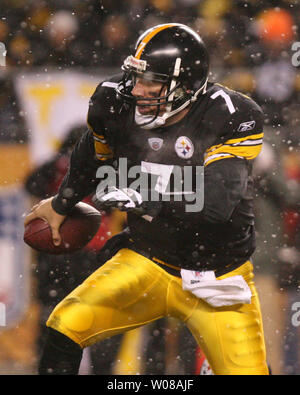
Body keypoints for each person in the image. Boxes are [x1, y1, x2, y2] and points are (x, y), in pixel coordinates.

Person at [24, 23, 268, 375]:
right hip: (147, 260)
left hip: (218, 278)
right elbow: (93, 154)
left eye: (150, 80)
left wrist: (144, 195)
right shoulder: (114, 101)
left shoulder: (230, 114)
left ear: (186, 85)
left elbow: (214, 205)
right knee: (65, 324)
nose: (136, 89)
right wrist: (63, 202)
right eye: (134, 76)